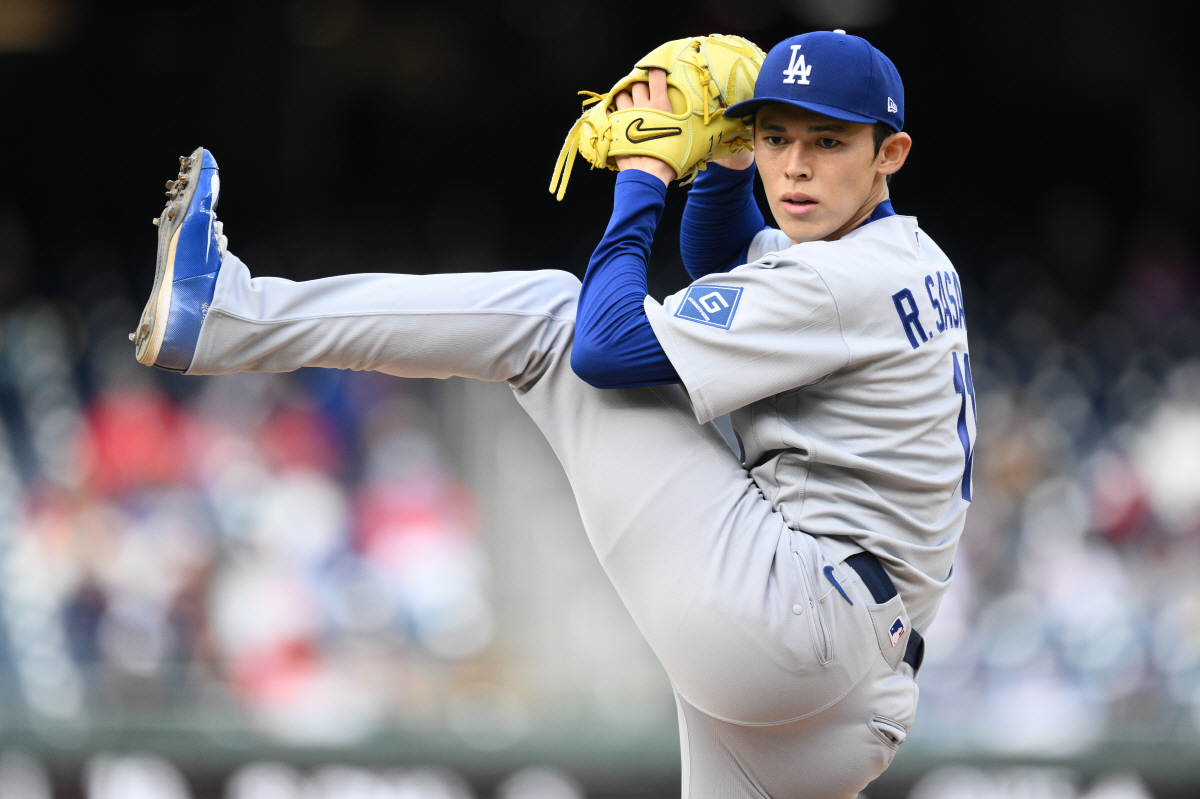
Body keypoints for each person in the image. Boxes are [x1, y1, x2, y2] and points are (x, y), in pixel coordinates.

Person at [132, 30, 974, 799]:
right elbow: (732, 264)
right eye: (773, 136)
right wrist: (720, 164)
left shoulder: (838, 281)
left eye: (828, 142)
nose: (793, 166)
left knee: (548, 318)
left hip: (798, 621)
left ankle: (229, 313)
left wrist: (642, 178)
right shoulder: (897, 260)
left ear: (888, 151)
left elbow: (603, 348)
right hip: (847, 691)